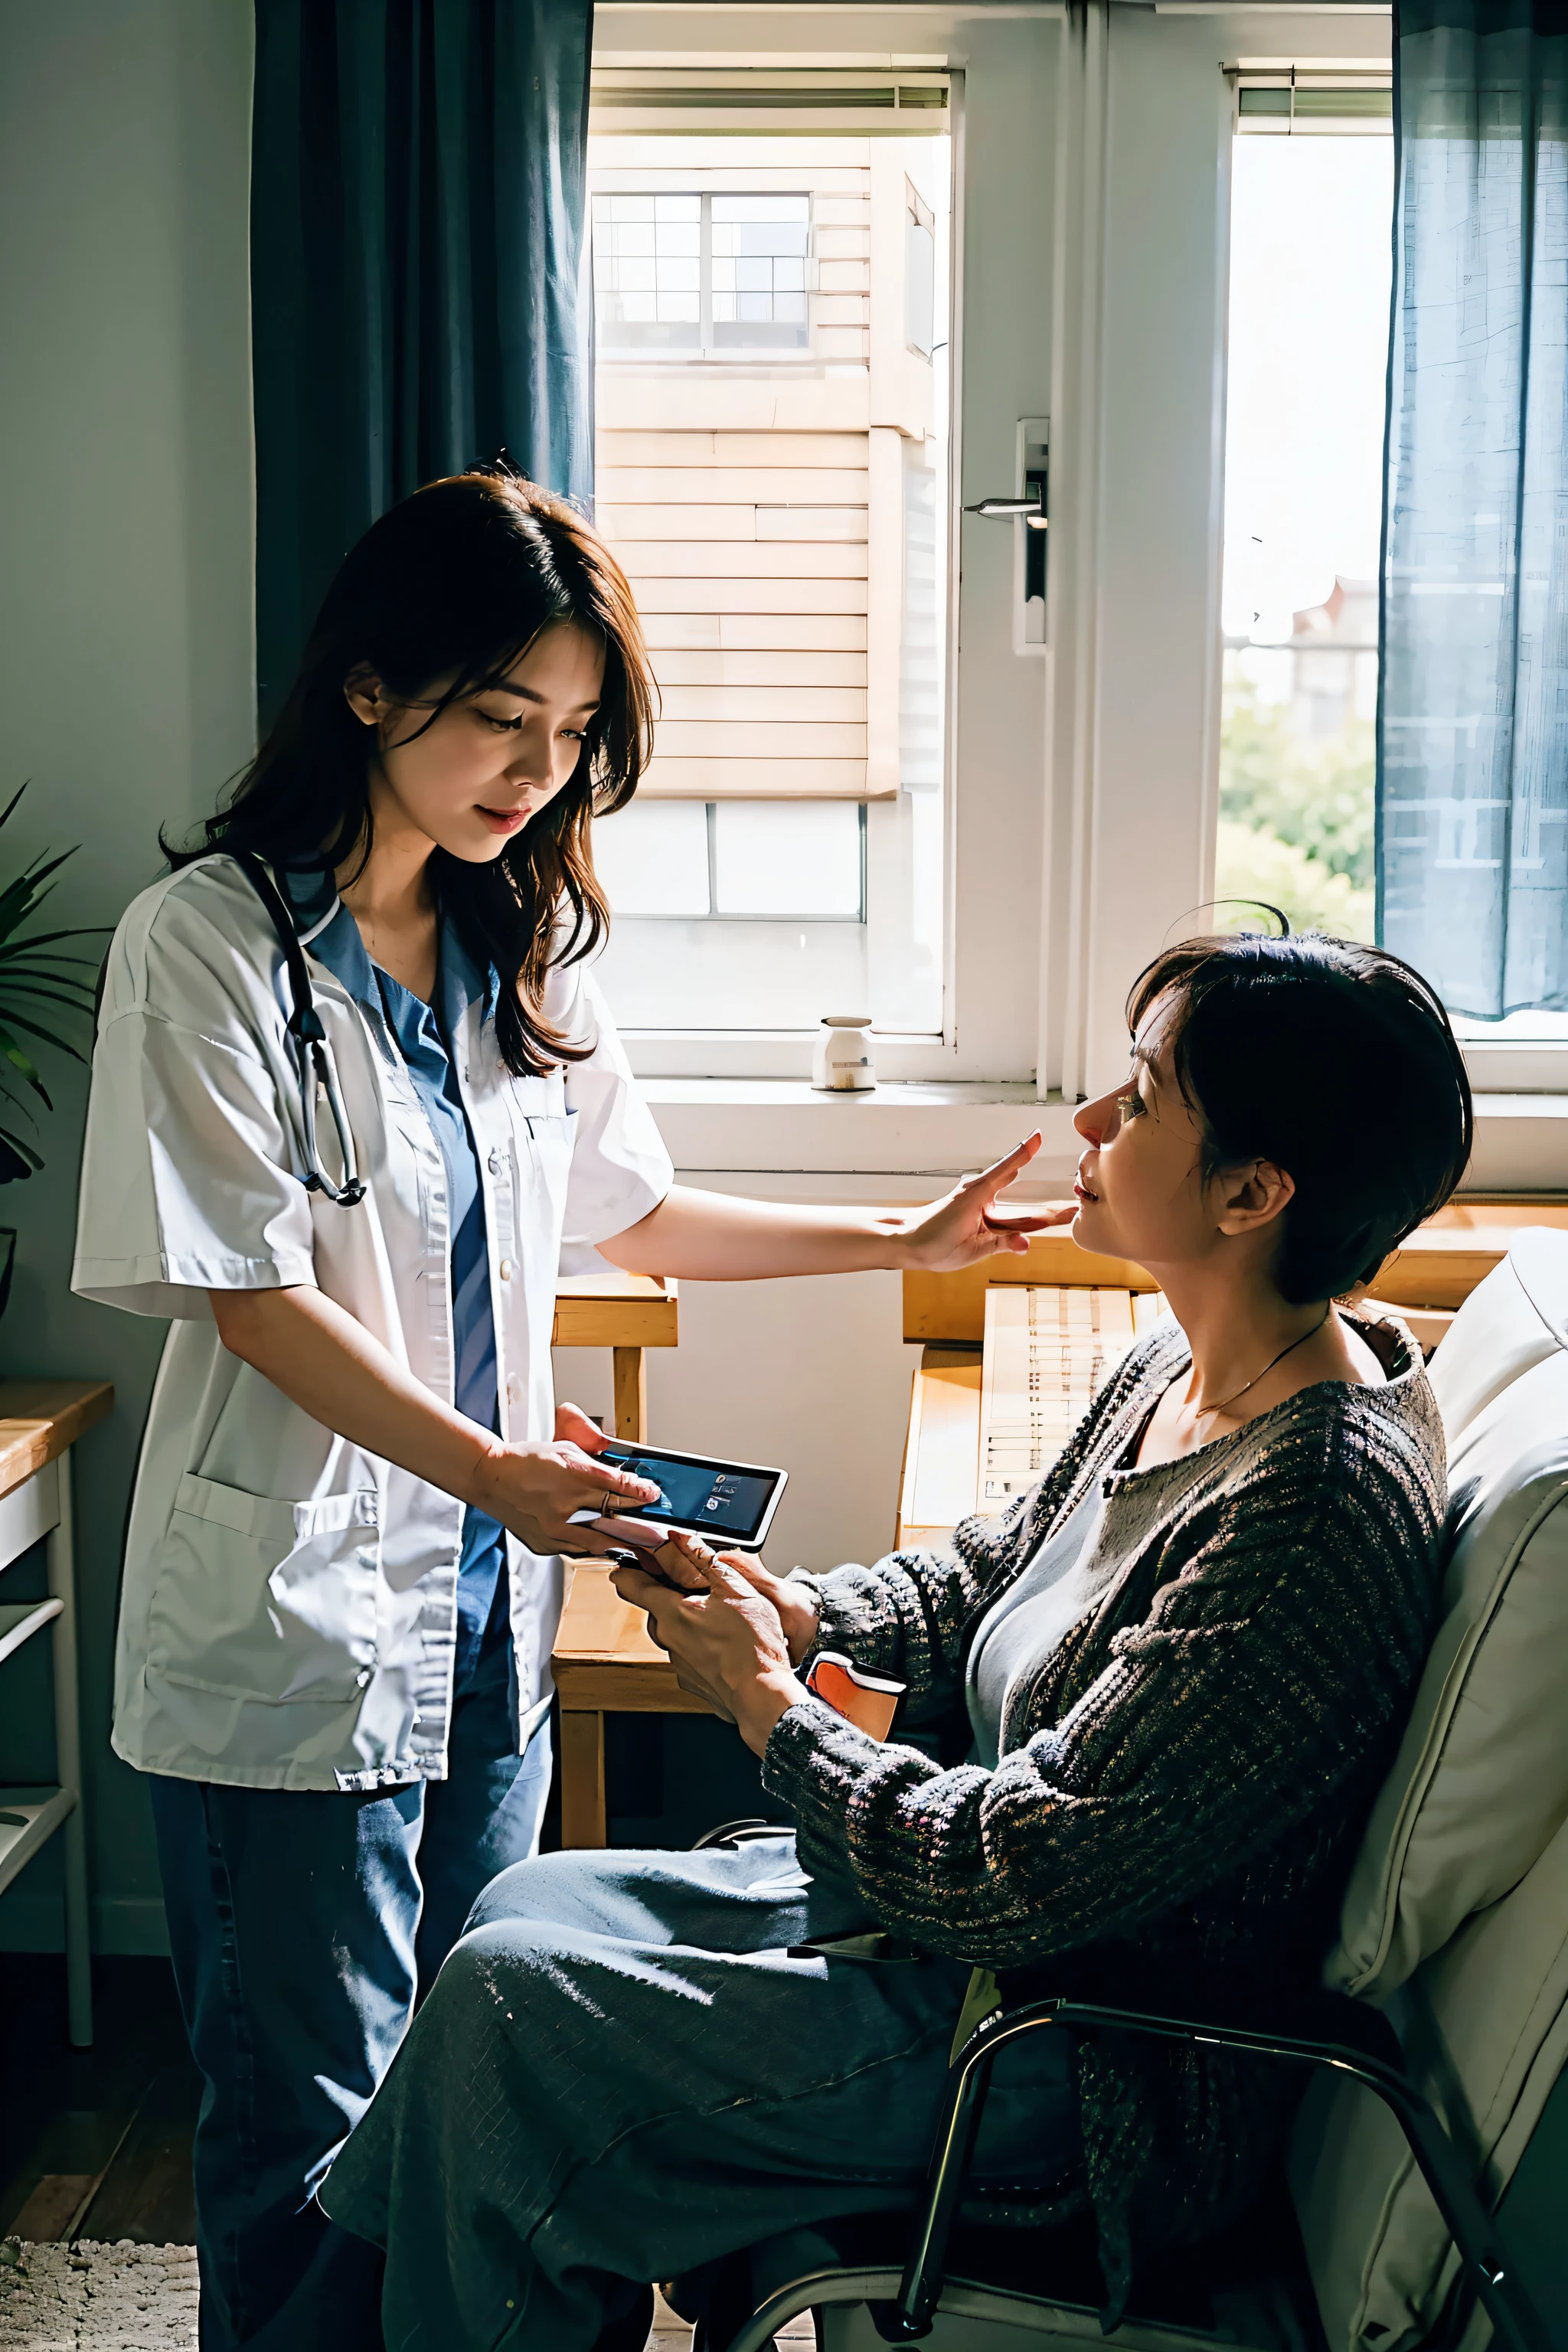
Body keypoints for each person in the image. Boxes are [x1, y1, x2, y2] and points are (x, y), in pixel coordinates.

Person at [70, 465, 1056, 2352]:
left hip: (481, 1621)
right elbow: (253, 1302)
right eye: (501, 717)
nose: (538, 768)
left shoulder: (518, 947)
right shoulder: (203, 946)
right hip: (294, 1632)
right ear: (369, 687)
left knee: (466, 2093)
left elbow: (646, 1208)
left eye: (576, 730)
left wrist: (903, 1231)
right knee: (304, 2121)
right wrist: (496, 1473)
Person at [319, 928, 1474, 2350]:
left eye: (1143, 1094)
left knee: (512, 2011)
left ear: (1253, 1190)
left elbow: (1026, 1873)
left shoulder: (1315, 1507)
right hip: (970, 1968)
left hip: (1075, 2066)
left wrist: (771, 1711)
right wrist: (795, 1611)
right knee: (515, 1916)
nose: (1091, 1122)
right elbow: (988, 1580)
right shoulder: (1179, 1365)